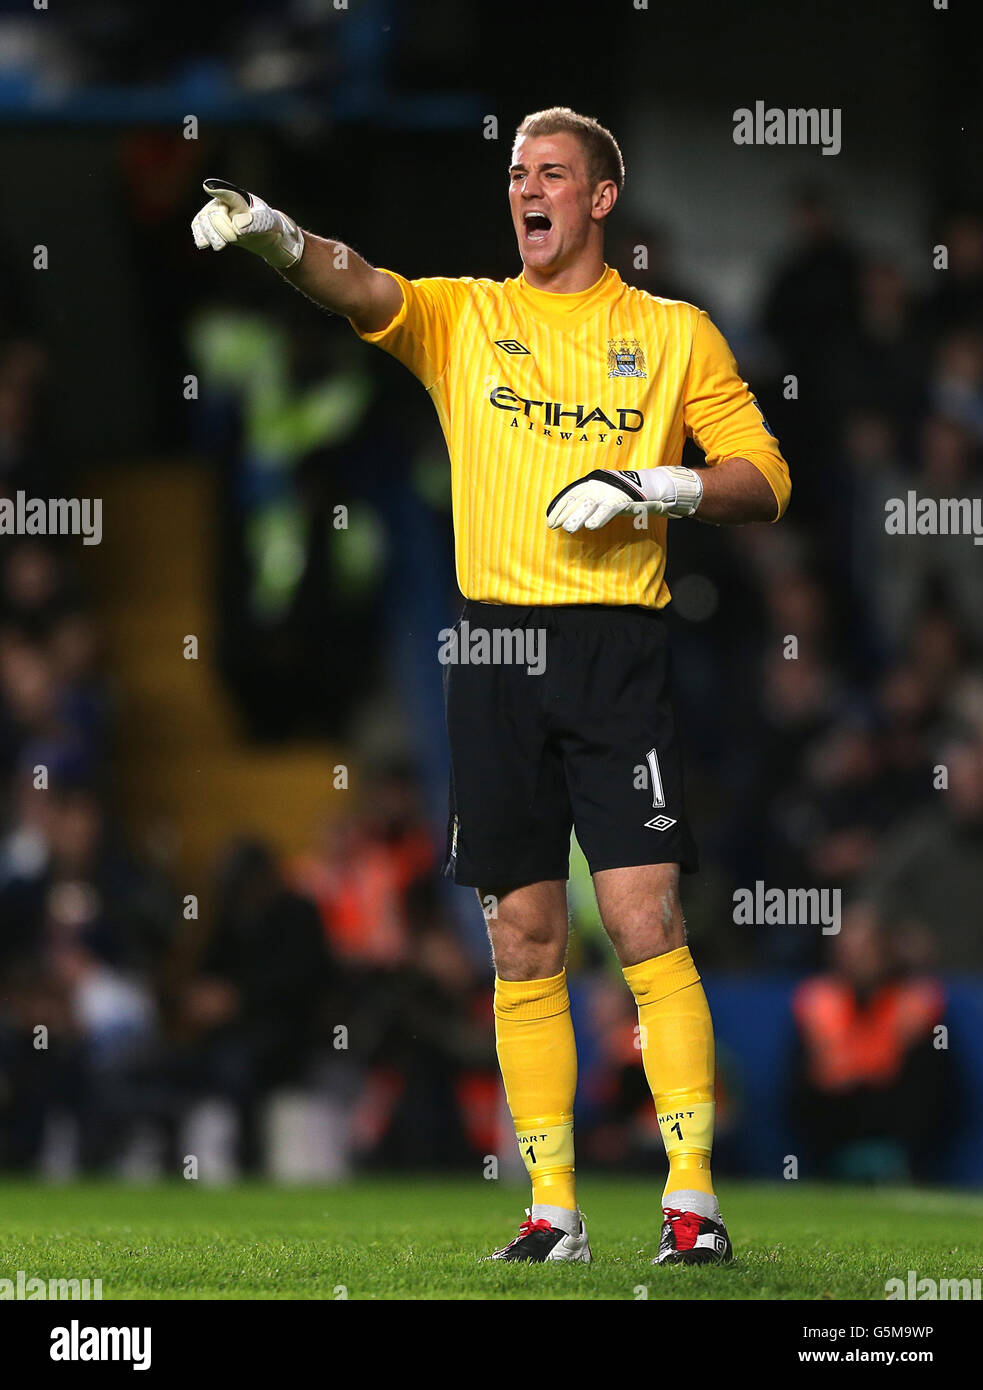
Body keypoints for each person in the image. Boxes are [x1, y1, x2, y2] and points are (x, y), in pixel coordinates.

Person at [192, 105, 791, 1265]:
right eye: (516, 171)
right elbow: (359, 285)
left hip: (617, 652)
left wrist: (653, 489)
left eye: (551, 173)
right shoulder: (467, 316)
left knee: (641, 918)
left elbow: (762, 476)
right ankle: (551, 1209)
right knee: (520, 935)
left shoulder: (672, 333)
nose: (526, 189)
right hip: (494, 657)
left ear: (599, 198)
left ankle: (689, 1200)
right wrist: (275, 233)